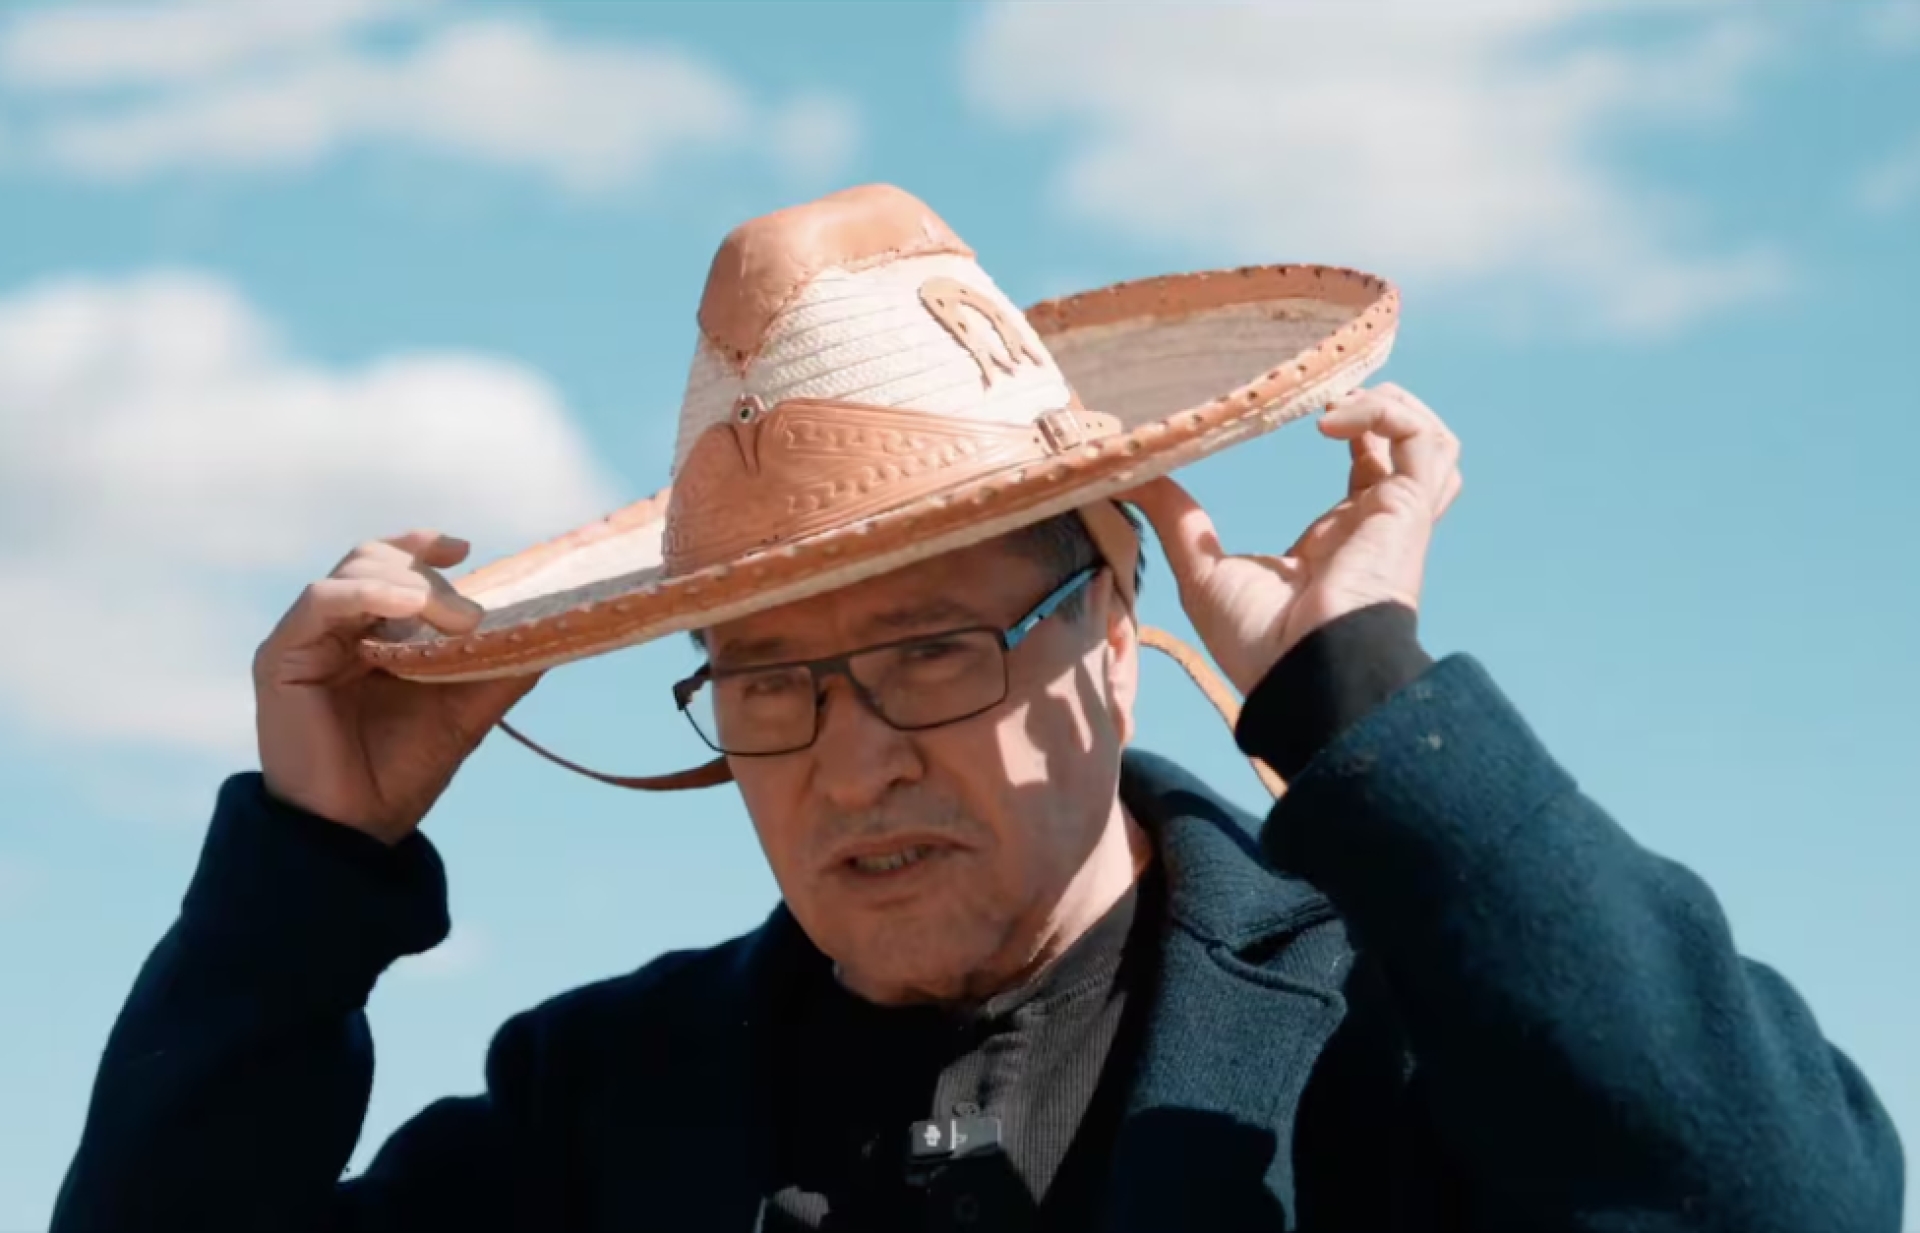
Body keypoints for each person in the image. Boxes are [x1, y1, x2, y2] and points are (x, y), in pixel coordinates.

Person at [52, 185, 1903, 1233]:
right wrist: (303, 878)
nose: (854, 756)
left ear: (1110, 625)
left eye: (933, 648)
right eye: (769, 680)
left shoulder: (1396, 1040)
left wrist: (1360, 703)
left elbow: (1795, 1201)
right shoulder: (602, 1107)